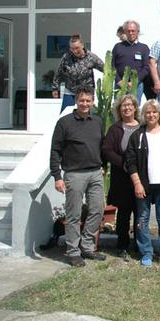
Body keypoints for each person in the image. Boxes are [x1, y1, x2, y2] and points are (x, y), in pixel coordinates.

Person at [49, 88, 106, 267]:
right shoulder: (64, 123)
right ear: (76, 100)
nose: (85, 104)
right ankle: (73, 251)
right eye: (82, 100)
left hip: (96, 172)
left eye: (88, 101)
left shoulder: (97, 121)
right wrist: (57, 176)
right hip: (74, 174)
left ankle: (87, 246)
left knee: (97, 209)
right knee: (73, 215)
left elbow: (101, 145)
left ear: (92, 102)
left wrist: (103, 165)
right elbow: (55, 150)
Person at [126, 99, 160, 270]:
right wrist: (137, 184)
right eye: (148, 112)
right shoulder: (138, 136)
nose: (151, 115)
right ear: (143, 115)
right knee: (142, 220)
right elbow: (131, 162)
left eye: (154, 112)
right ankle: (146, 253)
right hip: (144, 186)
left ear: (159, 114)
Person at [101, 94, 140, 259]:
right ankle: (122, 245)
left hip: (140, 178)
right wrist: (123, 163)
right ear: (119, 109)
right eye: (124, 105)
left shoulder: (143, 127)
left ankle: (139, 244)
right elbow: (107, 150)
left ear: (135, 108)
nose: (127, 108)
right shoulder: (116, 129)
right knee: (124, 214)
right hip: (122, 178)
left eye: (130, 105)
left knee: (141, 213)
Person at [51, 34, 104, 112]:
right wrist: (55, 88)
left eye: (77, 48)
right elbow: (59, 73)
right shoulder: (66, 57)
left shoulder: (91, 57)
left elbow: (105, 69)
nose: (75, 51)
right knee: (66, 114)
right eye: (72, 49)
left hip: (86, 92)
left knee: (86, 115)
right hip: (70, 91)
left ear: (82, 45)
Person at [112, 19, 149, 100]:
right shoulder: (118, 47)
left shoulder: (144, 48)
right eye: (128, 31)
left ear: (137, 32)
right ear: (125, 31)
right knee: (118, 108)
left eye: (133, 31)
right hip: (120, 85)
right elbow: (112, 66)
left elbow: (146, 68)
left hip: (136, 85)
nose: (131, 33)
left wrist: (135, 81)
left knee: (135, 109)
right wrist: (119, 81)